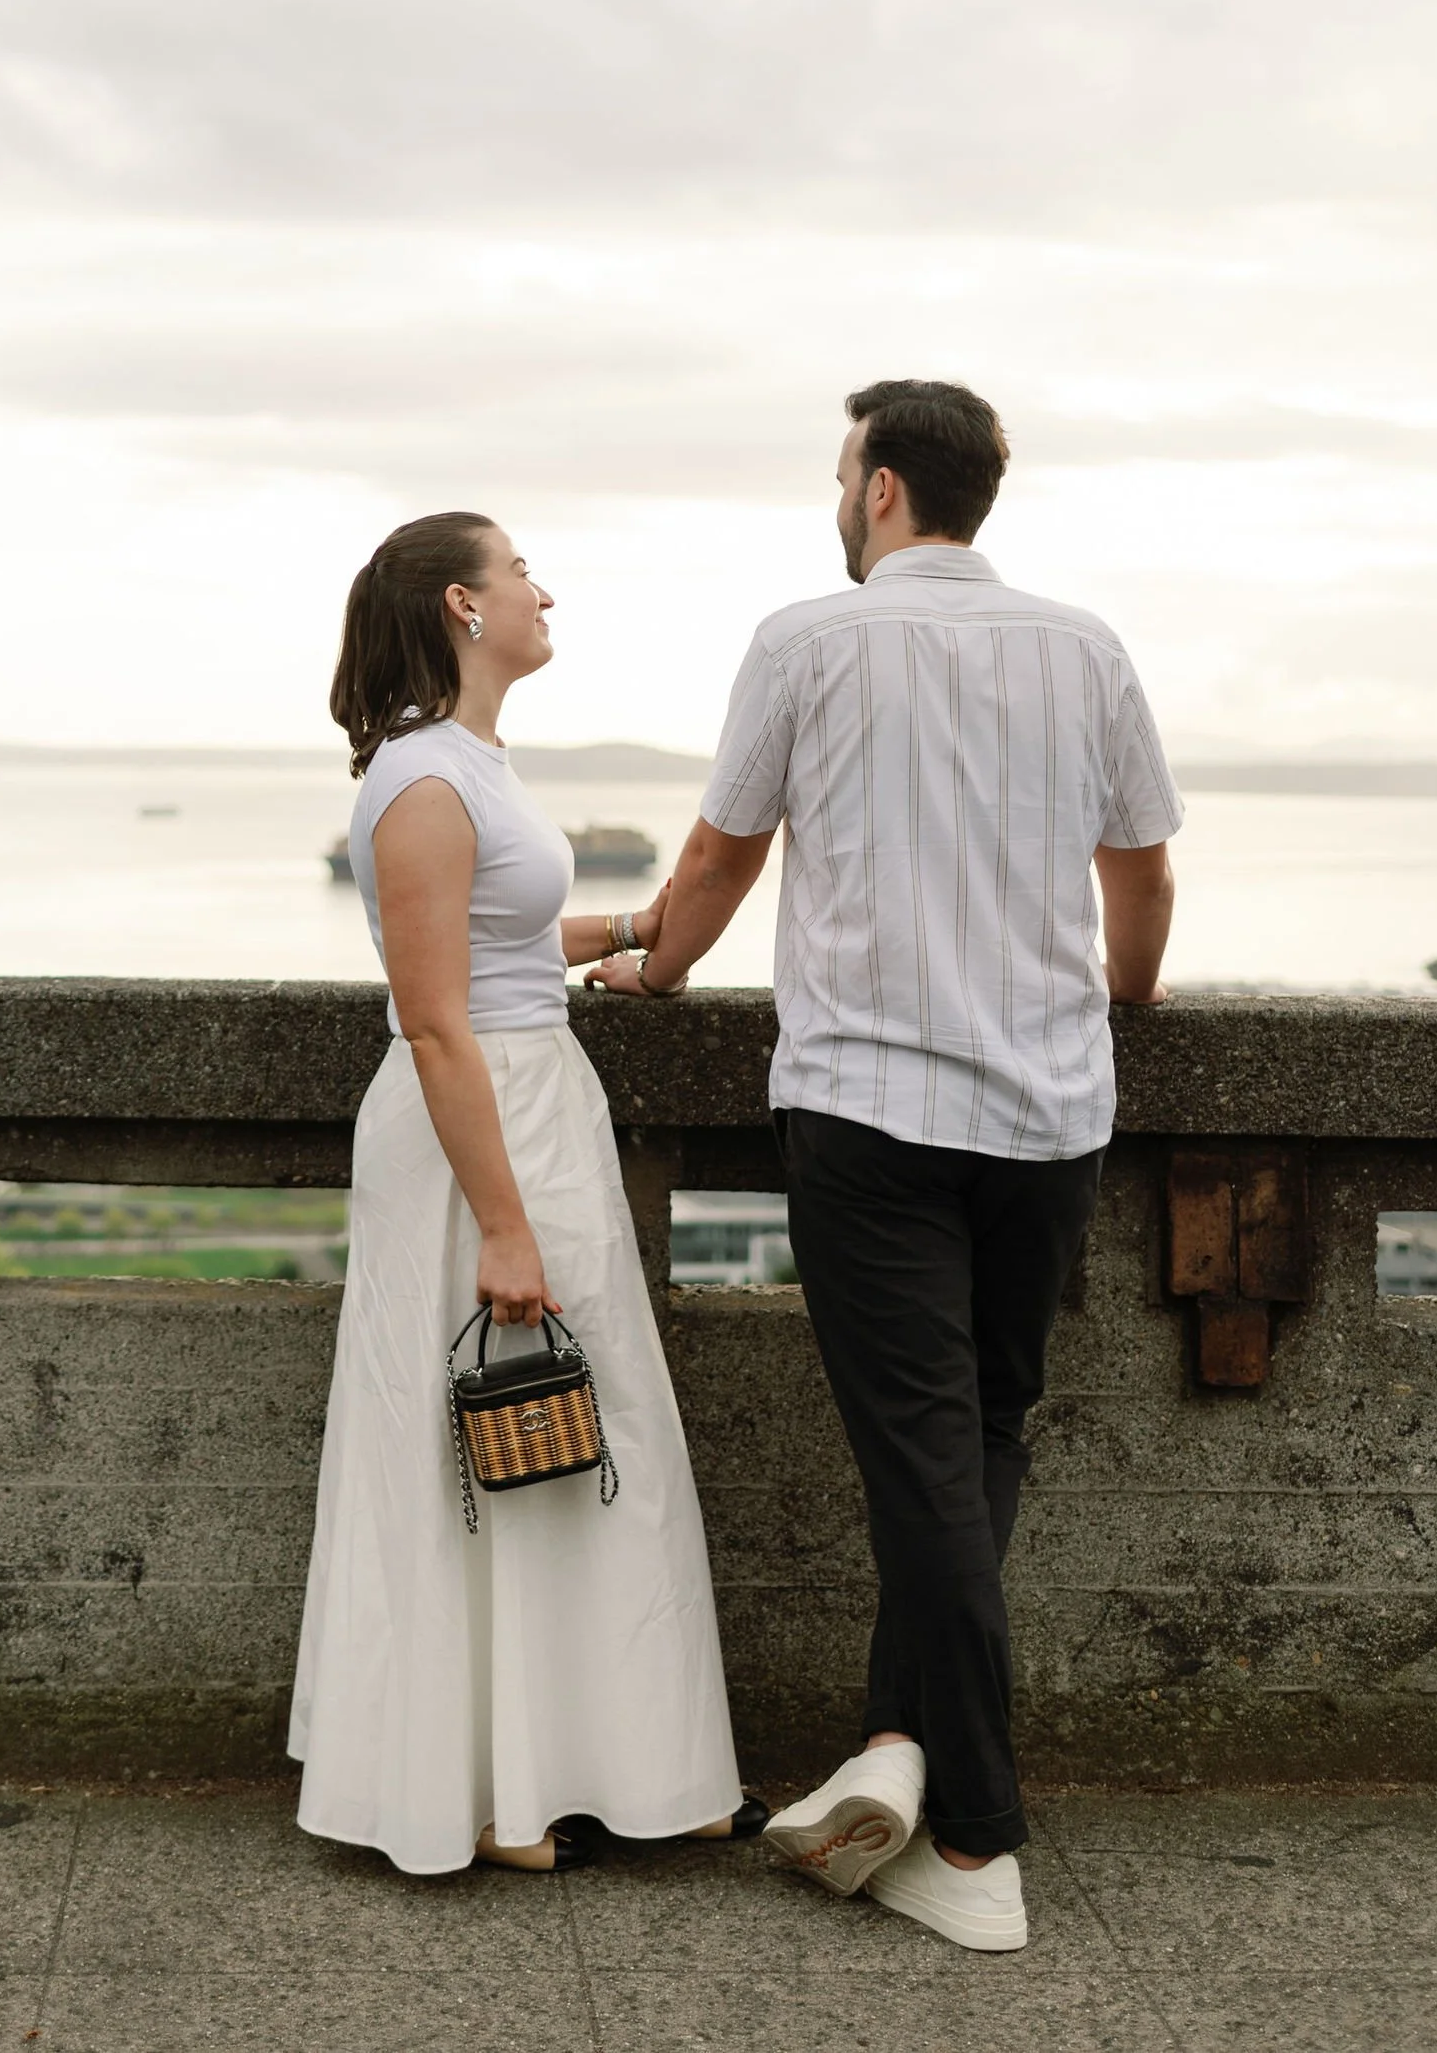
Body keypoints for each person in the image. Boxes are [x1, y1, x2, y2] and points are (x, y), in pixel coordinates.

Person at [584, 382, 1181, 1951]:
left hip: (871, 1111)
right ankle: (897, 1751)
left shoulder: (806, 640)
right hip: (1051, 1115)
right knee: (978, 1434)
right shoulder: (1086, 647)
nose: (836, 496)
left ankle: (977, 1842)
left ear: (886, 490)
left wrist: (657, 966)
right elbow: (1141, 877)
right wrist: (1121, 1000)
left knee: (923, 1460)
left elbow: (718, 857)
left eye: (843, 471)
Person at [290, 510, 761, 1875]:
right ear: (462, 604)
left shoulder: (469, 763)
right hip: (476, 1126)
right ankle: (488, 1789)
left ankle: (602, 1767)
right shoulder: (422, 780)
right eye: (521, 575)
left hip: (533, 1101)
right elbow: (436, 1018)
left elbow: (496, 939)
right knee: (487, 1441)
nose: (543, 595)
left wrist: (635, 928)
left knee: (579, 1439)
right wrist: (502, 1223)